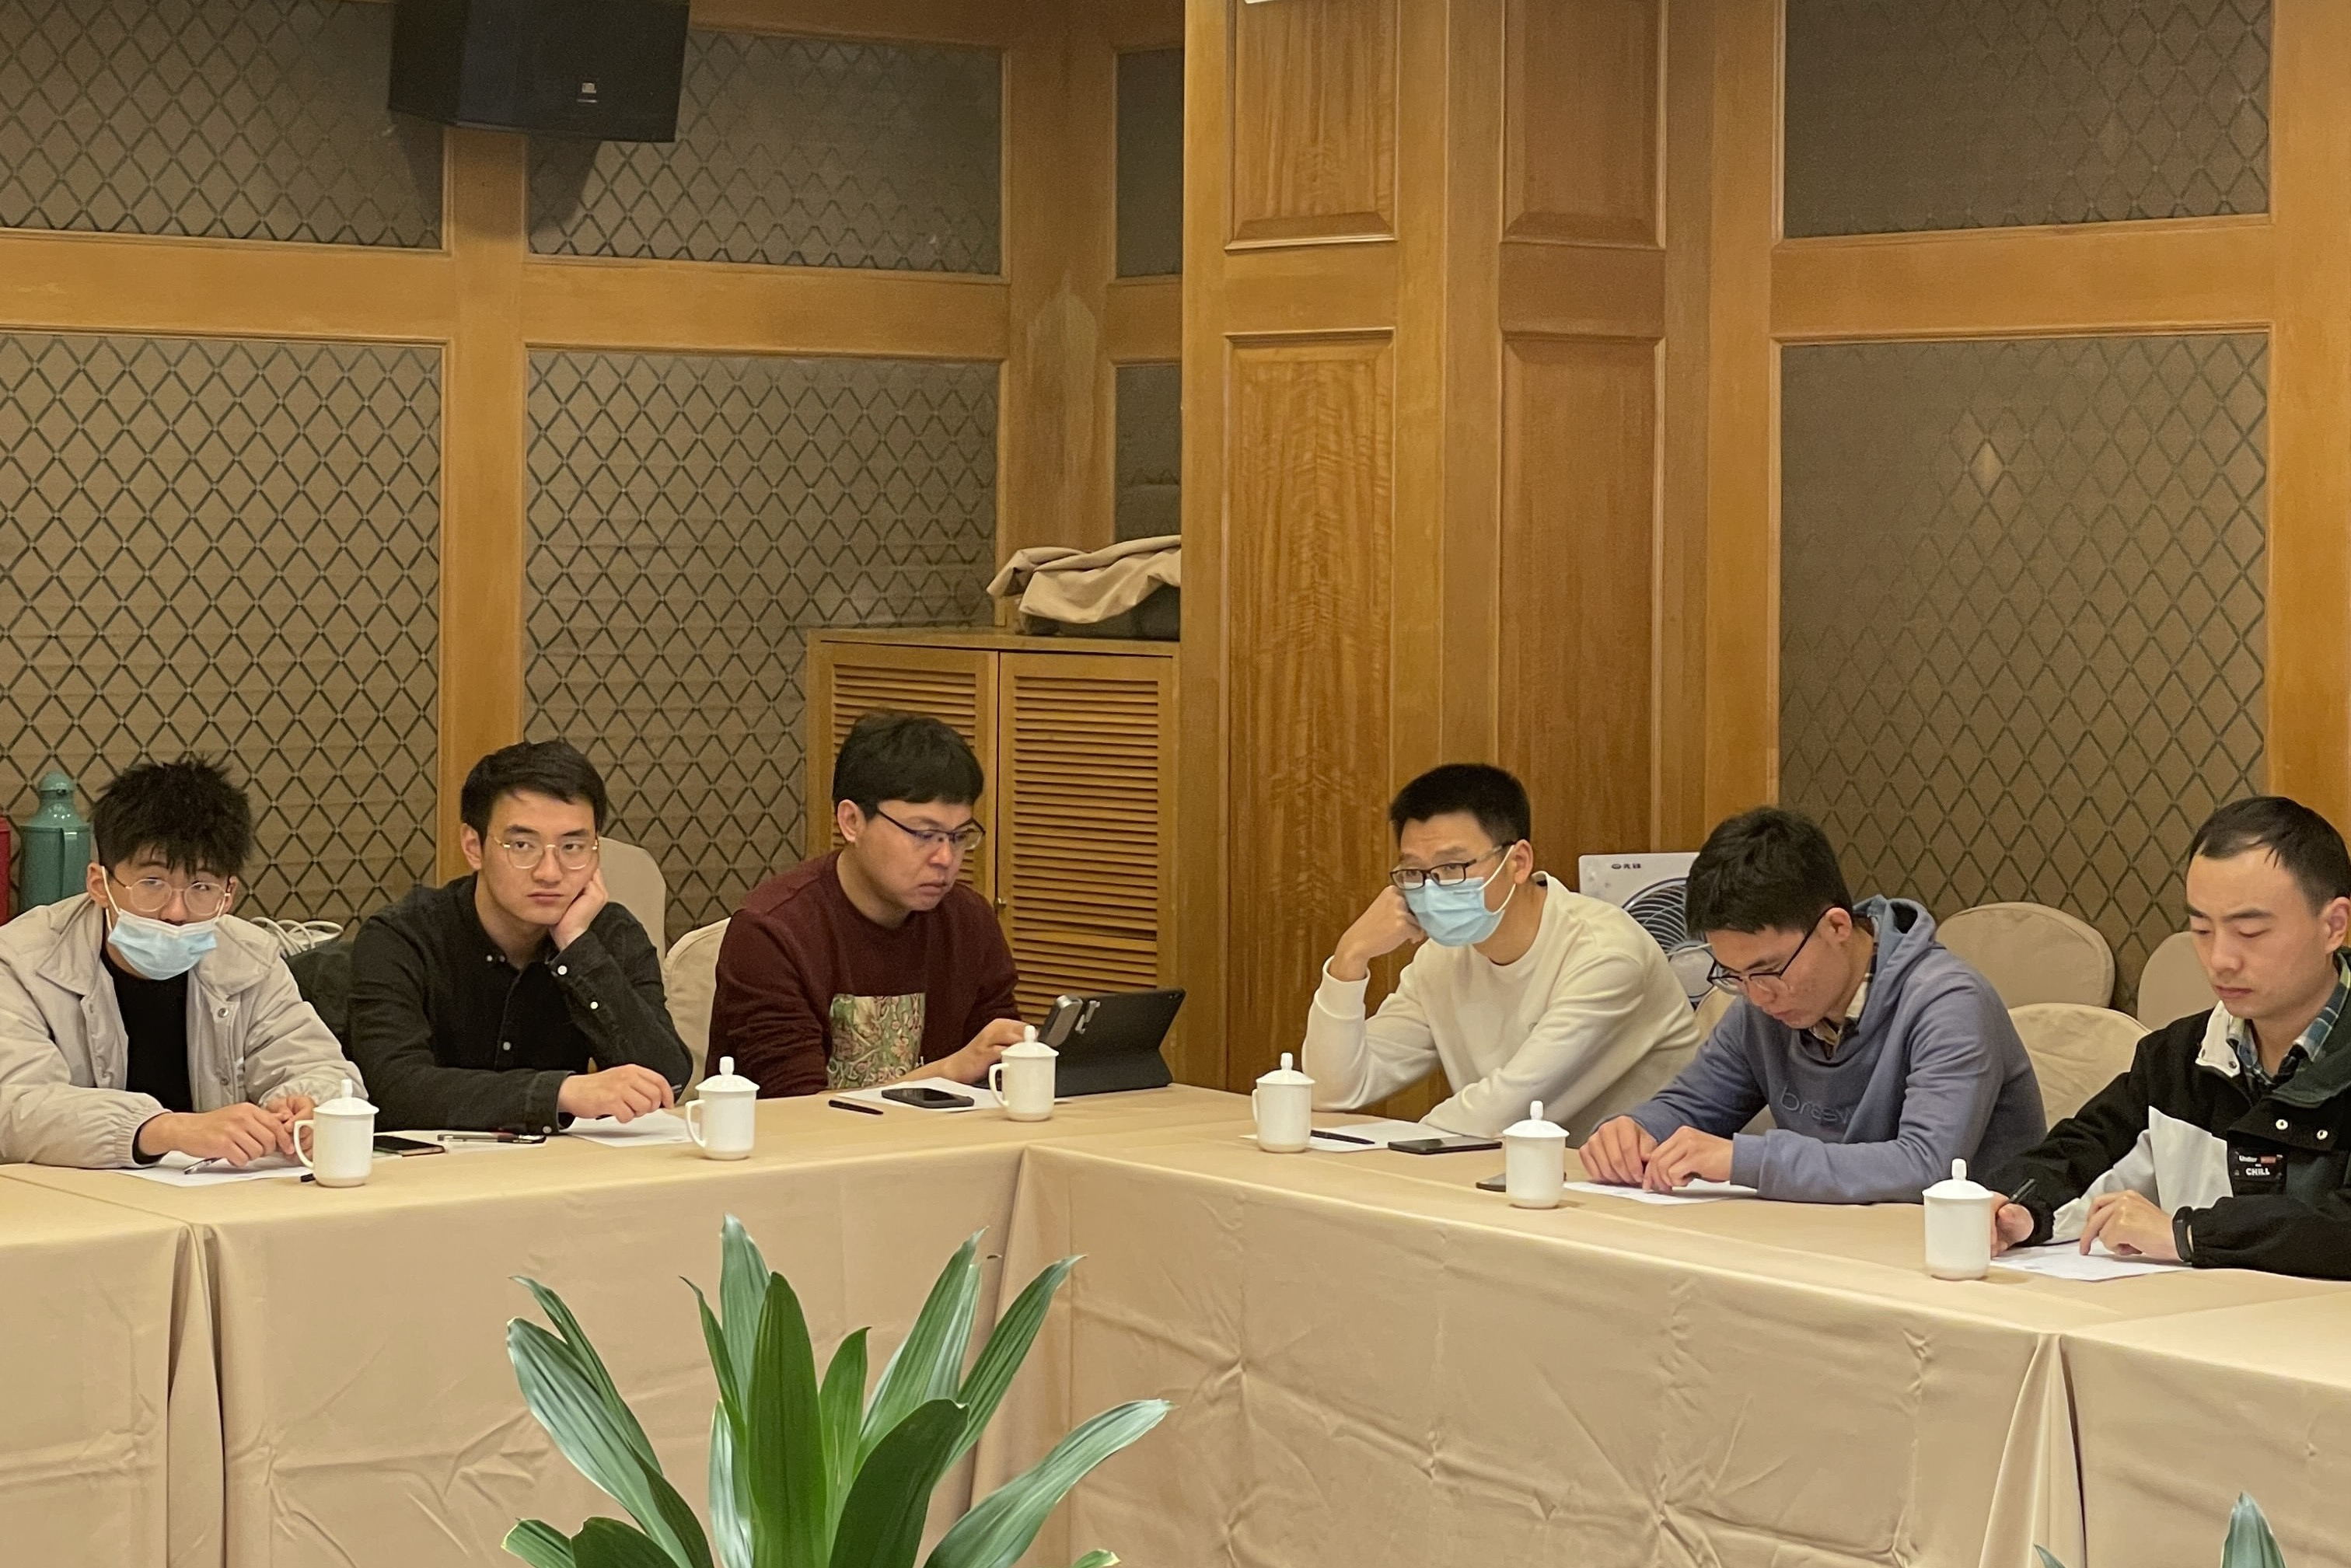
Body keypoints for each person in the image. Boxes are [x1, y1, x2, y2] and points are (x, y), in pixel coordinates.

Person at [1581, 806, 2043, 1201]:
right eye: (1735, 975)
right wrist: (1636, 1130)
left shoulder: (1948, 1003)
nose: (1757, 995)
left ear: (1837, 927)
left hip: (1962, 1254)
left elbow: (1926, 1165)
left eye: (1769, 969)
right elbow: (1692, 1106)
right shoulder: (1761, 1005)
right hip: (1824, 1242)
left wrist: (1746, 1159)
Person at [1985, 798, 2351, 1277]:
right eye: (2201, 929)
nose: (2220, 960)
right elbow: (2083, 1152)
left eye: (2250, 932)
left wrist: (2190, 1235)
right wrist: (2019, 1208)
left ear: (2333, 927)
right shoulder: (2178, 1057)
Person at [1301, 764, 1703, 1139]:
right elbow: (1334, 1090)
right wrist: (1349, 959)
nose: (1431, 888)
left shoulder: (1605, 953)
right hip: (1510, 1170)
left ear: (1518, 862)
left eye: (1452, 867)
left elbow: (1505, 1111)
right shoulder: (1444, 956)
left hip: (1646, 1176)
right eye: (1414, 872)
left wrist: (1401, 1152)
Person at [0, 756, 359, 1168]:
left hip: (214, 1193)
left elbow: (326, 1071)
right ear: (100, 884)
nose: (176, 911)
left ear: (229, 894)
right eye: (152, 883)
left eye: (202, 887)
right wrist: (165, 1130)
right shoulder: (20, 961)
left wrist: (307, 1105)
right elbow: (14, 1109)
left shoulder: (251, 958)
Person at [348, 741, 689, 1133]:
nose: (550, 872)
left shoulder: (610, 933)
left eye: (573, 847)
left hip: (560, 1166)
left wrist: (577, 947)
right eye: (522, 846)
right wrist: (560, 1093)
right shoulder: (402, 937)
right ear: (474, 847)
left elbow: (666, 1082)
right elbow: (393, 1090)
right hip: (431, 1165)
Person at [711, 711, 1024, 1096]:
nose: (945, 858)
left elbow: (1000, 1073)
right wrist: (949, 1071)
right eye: (923, 834)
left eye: (958, 837)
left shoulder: (969, 921)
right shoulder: (772, 933)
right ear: (852, 822)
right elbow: (793, 1109)